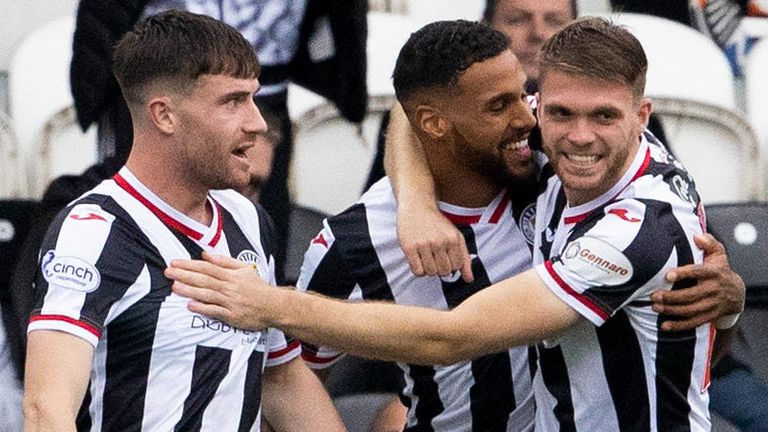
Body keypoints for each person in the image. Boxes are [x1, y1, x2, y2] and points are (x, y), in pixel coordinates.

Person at [166, 17, 746, 431]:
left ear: (641, 117)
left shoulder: (605, 198)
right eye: (544, 107)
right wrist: (416, 202)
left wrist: (268, 302)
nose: (535, 122)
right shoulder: (360, 237)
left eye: (603, 115)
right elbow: (285, 372)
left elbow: (453, 337)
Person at [23, 11, 344, 432]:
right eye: (233, 102)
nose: (257, 122)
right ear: (164, 115)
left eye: (253, 97)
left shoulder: (247, 218)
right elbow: (46, 410)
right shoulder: (93, 230)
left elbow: (281, 377)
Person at [298, 20, 539, 431]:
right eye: (499, 106)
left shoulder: (560, 170)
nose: (527, 119)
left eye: (525, 95)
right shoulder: (356, 241)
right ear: (433, 124)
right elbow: (293, 372)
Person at [70, 0, 368, 280]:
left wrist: (344, 76)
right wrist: (97, 90)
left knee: (260, 232)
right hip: (167, 98)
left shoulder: (257, 122)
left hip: (272, 87)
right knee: (141, 226)